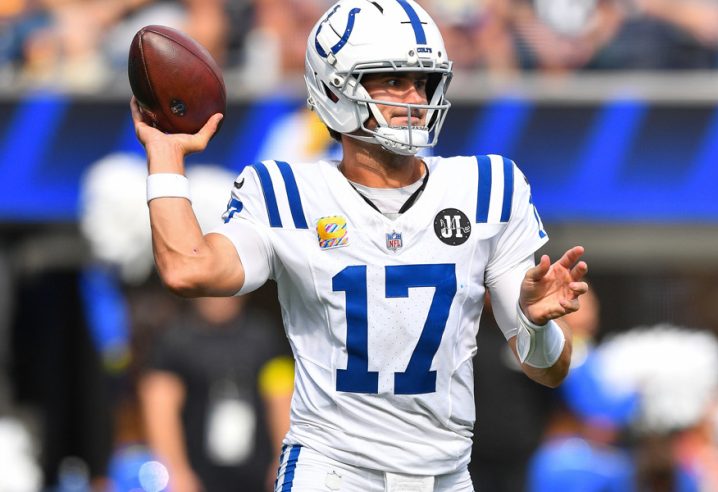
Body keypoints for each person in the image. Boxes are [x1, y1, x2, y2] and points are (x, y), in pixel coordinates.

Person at [130, 0, 588, 489]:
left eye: (423, 80)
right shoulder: (286, 193)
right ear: (334, 87)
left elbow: (549, 371)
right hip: (331, 470)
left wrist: (537, 327)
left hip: (446, 475)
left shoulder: (488, 186)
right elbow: (188, 270)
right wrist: (165, 155)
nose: (414, 95)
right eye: (392, 80)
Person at [138, 295, 293, 492]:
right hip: (198, 477)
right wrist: (176, 470)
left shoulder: (264, 335)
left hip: (257, 476)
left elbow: (281, 399)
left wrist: (282, 461)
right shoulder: (174, 340)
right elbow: (159, 406)